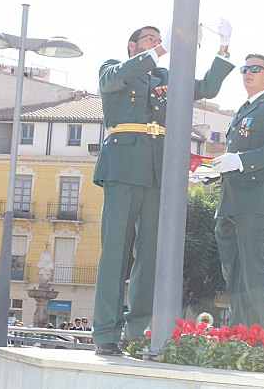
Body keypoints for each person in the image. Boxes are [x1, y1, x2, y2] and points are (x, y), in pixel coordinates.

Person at [92, 22, 234, 356]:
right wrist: (159, 51)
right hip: (123, 168)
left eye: (160, 39)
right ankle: (105, 334)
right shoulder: (113, 70)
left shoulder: (166, 79)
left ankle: (136, 331)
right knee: (115, 254)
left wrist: (223, 50)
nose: (158, 43)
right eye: (150, 39)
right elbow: (113, 79)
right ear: (132, 46)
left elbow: (207, 88)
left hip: (158, 172)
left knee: (151, 257)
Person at [212, 53, 264, 329]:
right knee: (232, 272)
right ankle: (238, 331)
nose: (248, 73)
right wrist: (214, 171)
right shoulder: (242, 110)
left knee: (251, 269)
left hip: (255, 196)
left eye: (255, 69)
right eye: (245, 69)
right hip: (231, 198)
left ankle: (257, 336)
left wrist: (241, 161)